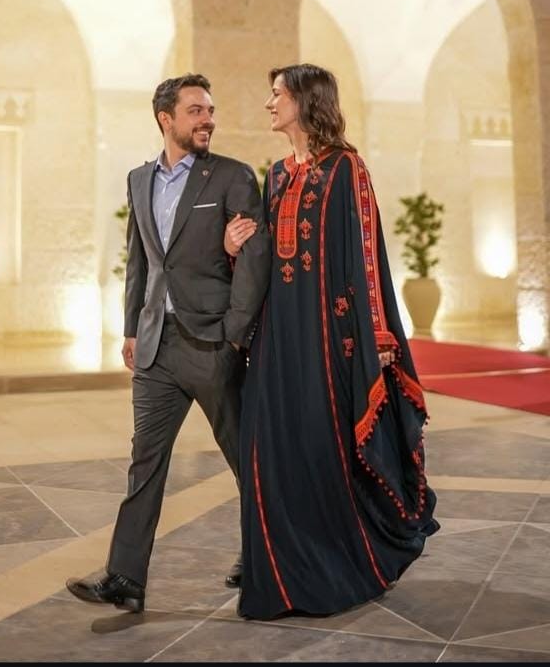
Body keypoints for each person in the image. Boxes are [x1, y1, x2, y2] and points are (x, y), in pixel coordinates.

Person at [224, 63, 439, 621]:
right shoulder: (275, 175)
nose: (269, 104)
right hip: (277, 336)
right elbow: (269, 259)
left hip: (327, 338)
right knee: (270, 450)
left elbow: (366, 254)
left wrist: (378, 334)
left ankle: (337, 568)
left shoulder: (347, 168)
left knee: (323, 449)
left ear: (304, 100)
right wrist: (236, 246)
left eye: (277, 94)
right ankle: (279, 576)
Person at [67, 74, 271, 613]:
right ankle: (125, 577)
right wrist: (132, 328)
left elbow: (254, 259)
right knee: (145, 463)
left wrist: (235, 334)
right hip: (157, 346)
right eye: (196, 111)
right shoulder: (139, 180)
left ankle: (264, 557)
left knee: (246, 459)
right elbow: (140, 260)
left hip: (213, 345)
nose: (208, 120)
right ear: (166, 119)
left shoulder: (231, 176)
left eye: (210, 110)